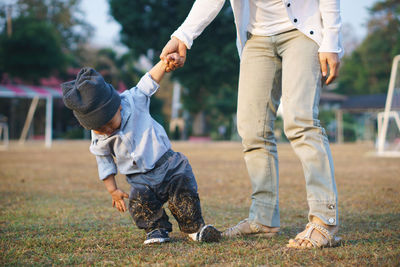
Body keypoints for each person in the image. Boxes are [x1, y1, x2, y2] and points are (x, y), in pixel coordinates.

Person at [161, 0, 342, 249]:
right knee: (252, 129)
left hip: (302, 31)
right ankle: (263, 219)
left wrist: (331, 41)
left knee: (301, 122)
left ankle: (325, 219)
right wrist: (182, 36)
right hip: (257, 37)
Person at [61, 60, 221, 245]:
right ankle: (156, 229)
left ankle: (195, 229)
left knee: (184, 194)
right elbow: (104, 161)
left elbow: (149, 80)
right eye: (99, 129)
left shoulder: (133, 99)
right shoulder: (98, 137)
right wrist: (113, 190)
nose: (106, 130)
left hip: (168, 165)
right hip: (139, 178)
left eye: (109, 123)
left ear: (117, 105)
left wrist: (164, 63)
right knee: (139, 204)